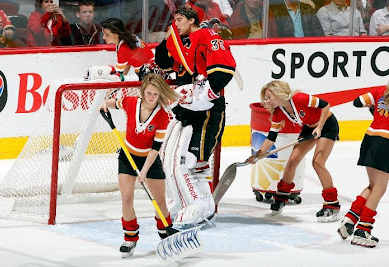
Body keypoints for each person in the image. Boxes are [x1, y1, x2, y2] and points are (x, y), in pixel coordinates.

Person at [155, 7, 236, 228]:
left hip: (208, 111)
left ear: (192, 20)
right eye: (174, 20)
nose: (176, 24)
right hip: (189, 110)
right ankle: (203, 207)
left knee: (191, 162)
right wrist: (170, 36)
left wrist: (206, 95)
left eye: (179, 20)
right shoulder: (184, 44)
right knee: (187, 162)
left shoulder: (206, 35)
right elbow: (162, 60)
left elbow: (224, 68)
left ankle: (197, 205)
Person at [99, 73, 180, 258]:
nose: (152, 97)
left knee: (159, 201)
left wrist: (144, 170)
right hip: (127, 157)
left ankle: (164, 234)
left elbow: (155, 149)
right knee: (126, 198)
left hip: (149, 161)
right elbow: (114, 102)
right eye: (149, 93)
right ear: (143, 91)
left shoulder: (162, 116)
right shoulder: (130, 102)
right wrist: (105, 104)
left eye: (156, 94)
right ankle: (130, 238)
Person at [248, 80, 340, 222]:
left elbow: (325, 105)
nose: (267, 101)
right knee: (292, 161)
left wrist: (320, 127)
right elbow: (271, 138)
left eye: (268, 96)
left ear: (278, 92)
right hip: (310, 128)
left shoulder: (299, 98)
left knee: (318, 162)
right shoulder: (278, 112)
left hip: (327, 124)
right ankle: (281, 198)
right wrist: (258, 155)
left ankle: (332, 205)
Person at [337, 82, 389, 248]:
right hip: (386, 143)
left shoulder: (380, 91)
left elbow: (358, 102)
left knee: (372, 186)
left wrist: (374, 109)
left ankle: (350, 220)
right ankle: (363, 229)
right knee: (379, 188)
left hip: (370, 138)